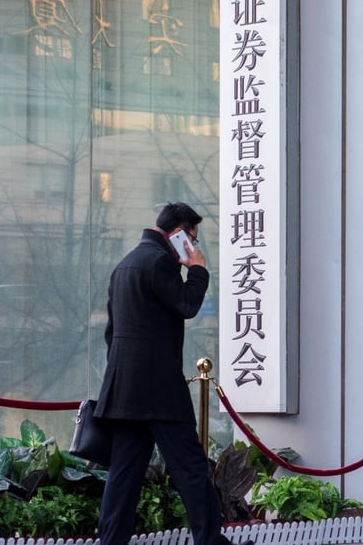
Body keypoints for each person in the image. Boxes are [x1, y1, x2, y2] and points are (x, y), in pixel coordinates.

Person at [94, 202, 245, 545]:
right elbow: (187, 305)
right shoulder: (160, 261)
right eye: (192, 238)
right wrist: (198, 269)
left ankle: (110, 542)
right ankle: (210, 542)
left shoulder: (125, 264)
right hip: (159, 391)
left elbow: (111, 333)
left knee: (124, 475)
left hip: (125, 390)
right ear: (178, 235)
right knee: (190, 468)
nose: (194, 245)